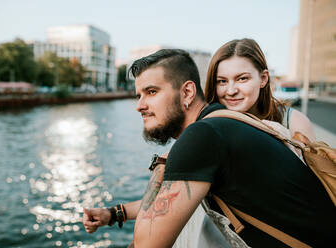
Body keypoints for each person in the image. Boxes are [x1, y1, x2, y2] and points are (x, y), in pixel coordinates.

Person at [83, 49, 335, 247]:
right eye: (138, 95)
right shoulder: (223, 121)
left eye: (151, 91)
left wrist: (162, 163)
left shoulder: (202, 136)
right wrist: (114, 213)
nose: (140, 105)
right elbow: (170, 200)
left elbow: (148, 243)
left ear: (188, 92)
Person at [204, 38, 315, 140]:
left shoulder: (294, 123)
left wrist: (287, 148)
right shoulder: (205, 122)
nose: (231, 91)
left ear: (263, 79)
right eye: (222, 81)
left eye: (242, 79)